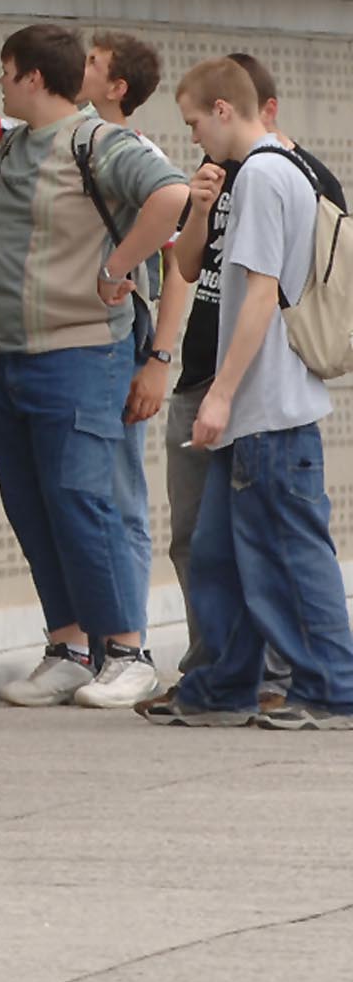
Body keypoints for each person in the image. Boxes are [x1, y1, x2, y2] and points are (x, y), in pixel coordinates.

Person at [0, 22, 188, 708]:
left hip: (81, 352)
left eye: (6, 70)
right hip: (12, 355)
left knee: (84, 499)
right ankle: (70, 646)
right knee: (31, 502)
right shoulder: (21, 144)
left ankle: (128, 649)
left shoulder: (101, 144)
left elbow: (171, 196)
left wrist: (115, 267)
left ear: (34, 79)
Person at [140, 57, 353, 730]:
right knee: (219, 555)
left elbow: (261, 293)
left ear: (224, 110)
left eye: (195, 120)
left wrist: (220, 394)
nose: (196, 135)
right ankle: (219, 686)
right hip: (261, 413)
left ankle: (332, 689)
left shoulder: (261, 175)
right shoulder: (278, 170)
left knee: (288, 555)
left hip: (266, 410)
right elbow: (197, 266)